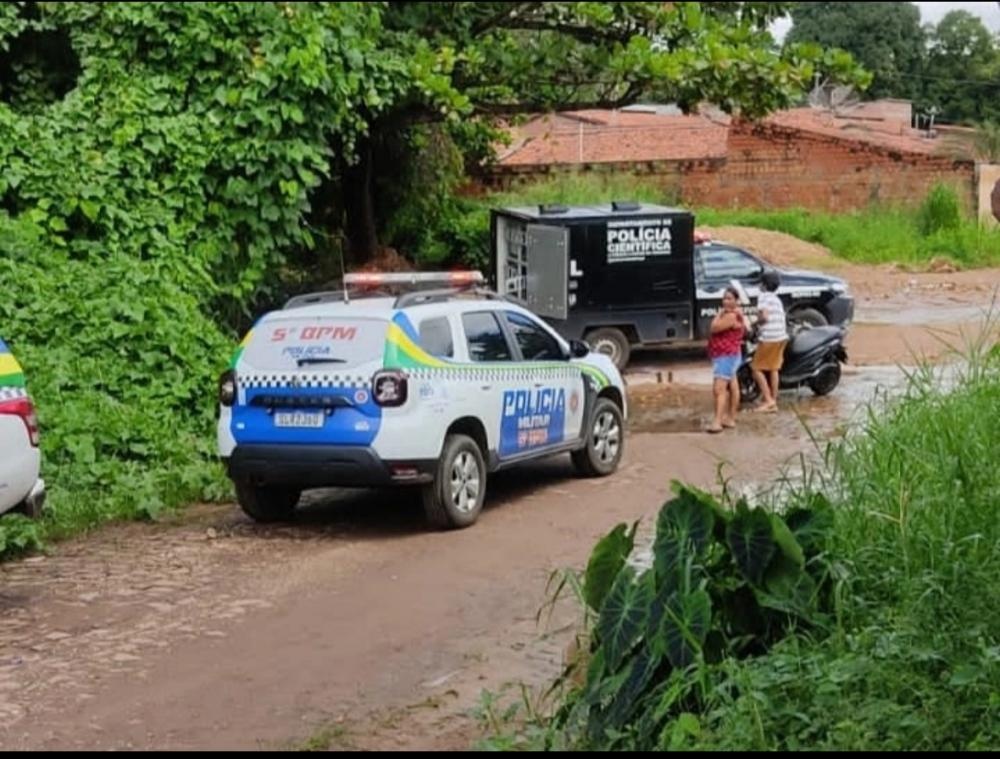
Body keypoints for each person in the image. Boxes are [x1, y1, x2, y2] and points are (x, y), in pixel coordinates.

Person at [706, 286, 746, 434]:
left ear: (736, 301)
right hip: (731, 354)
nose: (726, 302)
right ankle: (730, 418)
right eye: (724, 298)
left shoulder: (730, 316)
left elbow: (714, 328)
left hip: (726, 356)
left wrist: (719, 314)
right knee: (733, 386)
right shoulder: (736, 314)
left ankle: (717, 421)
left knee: (719, 389)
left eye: (730, 298)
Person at [751, 269, 788, 413]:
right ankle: (773, 400)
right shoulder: (776, 299)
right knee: (773, 369)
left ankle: (767, 400)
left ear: (763, 285)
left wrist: (755, 323)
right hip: (781, 337)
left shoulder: (764, 297)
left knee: (756, 369)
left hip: (769, 338)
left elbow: (764, 317)